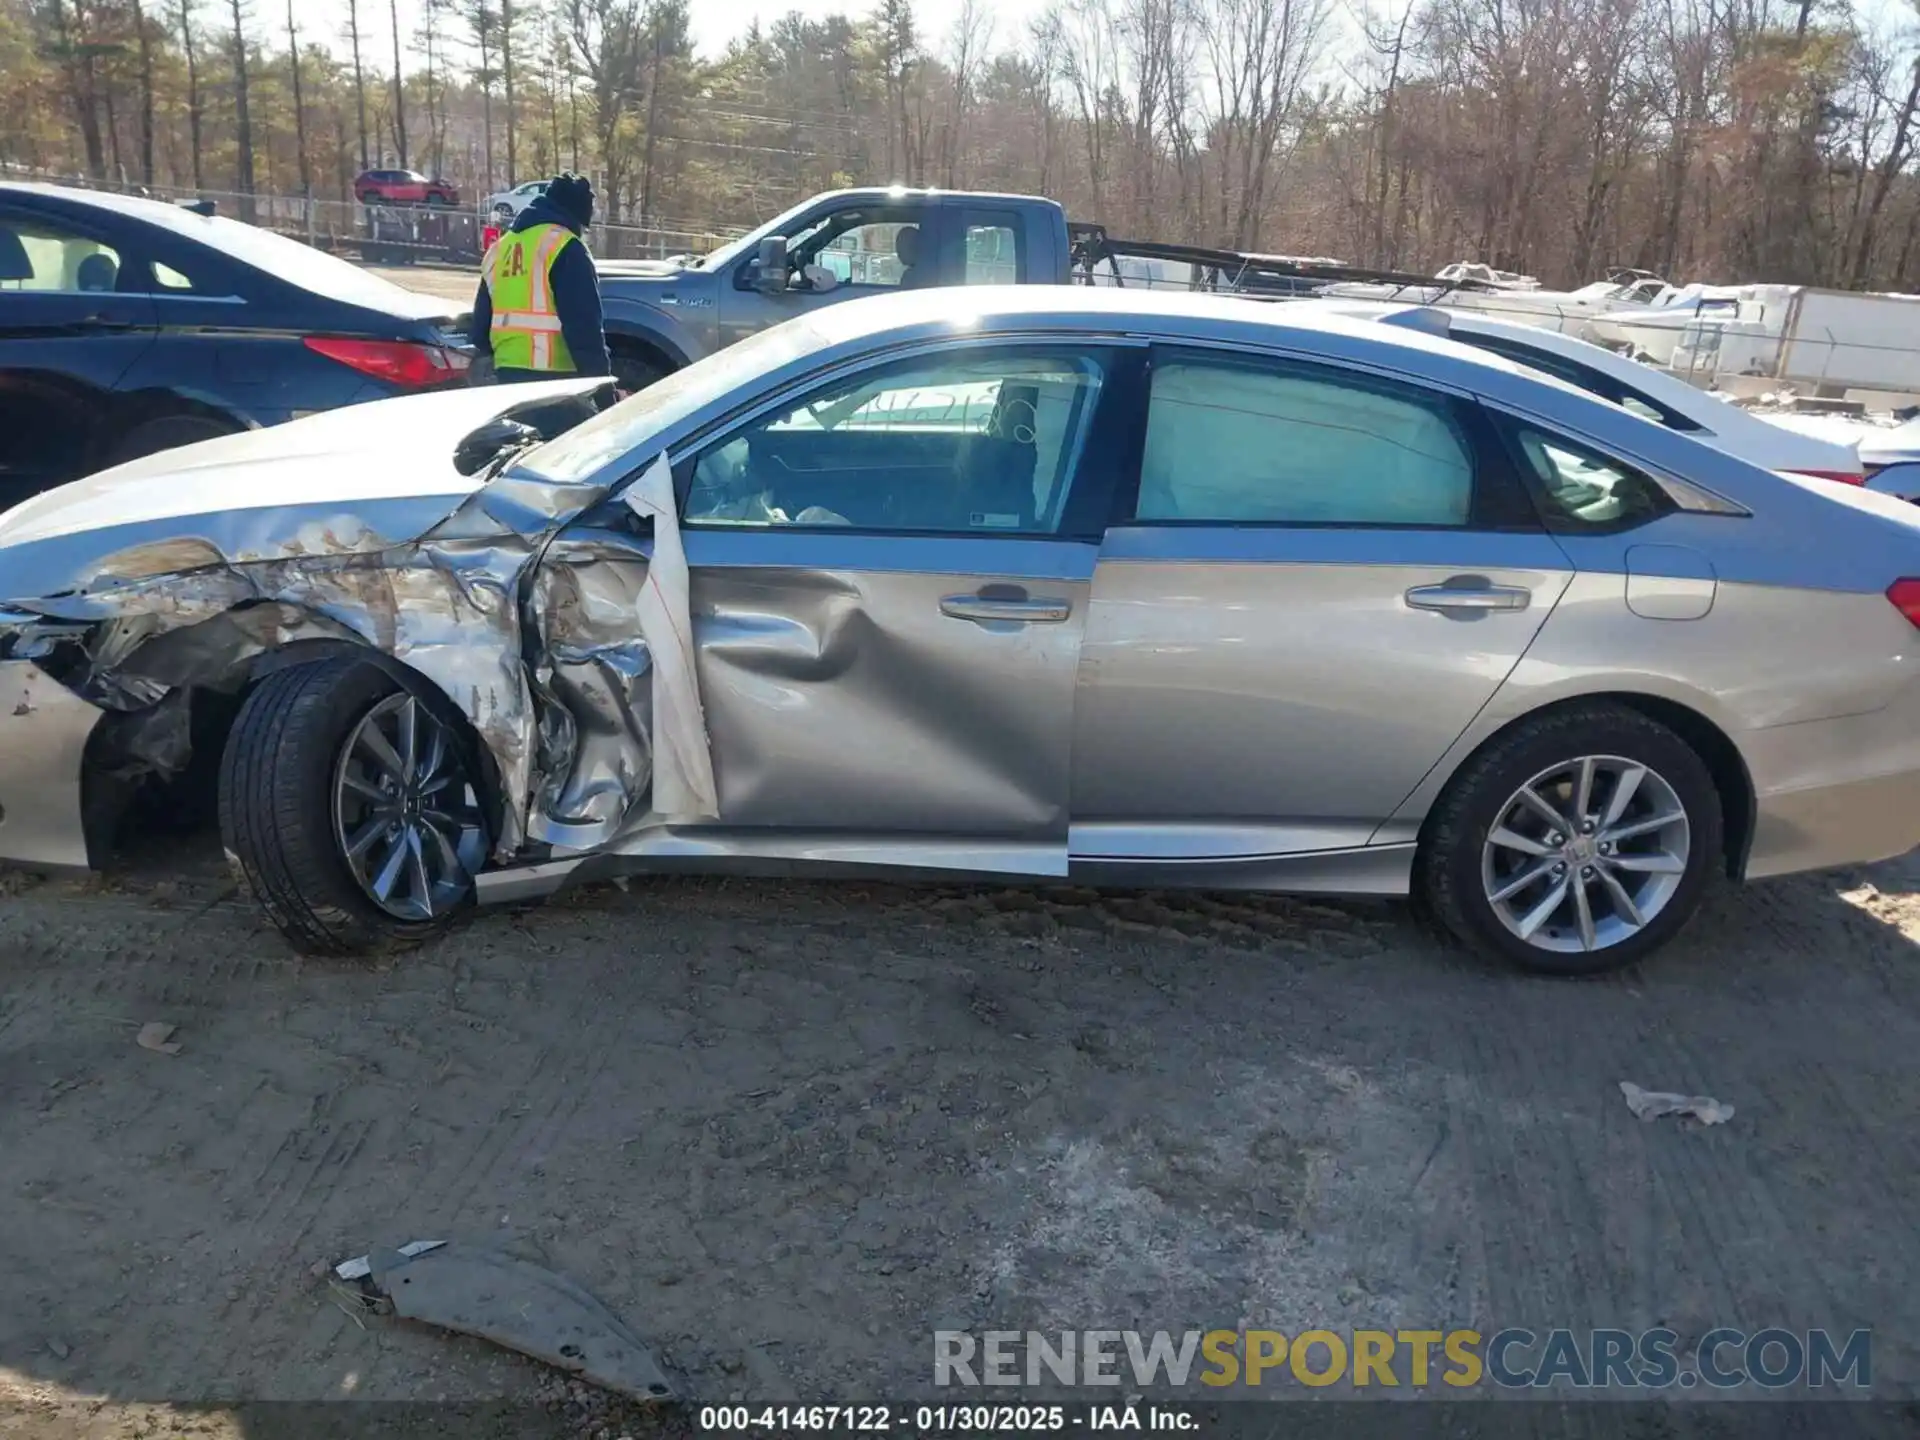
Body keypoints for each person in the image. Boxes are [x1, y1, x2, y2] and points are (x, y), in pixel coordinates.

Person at [469, 172, 611, 384]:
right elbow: (585, 331)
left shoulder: (499, 248)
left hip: (505, 376)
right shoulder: (566, 246)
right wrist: (605, 394)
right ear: (575, 216)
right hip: (555, 381)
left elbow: (480, 330)